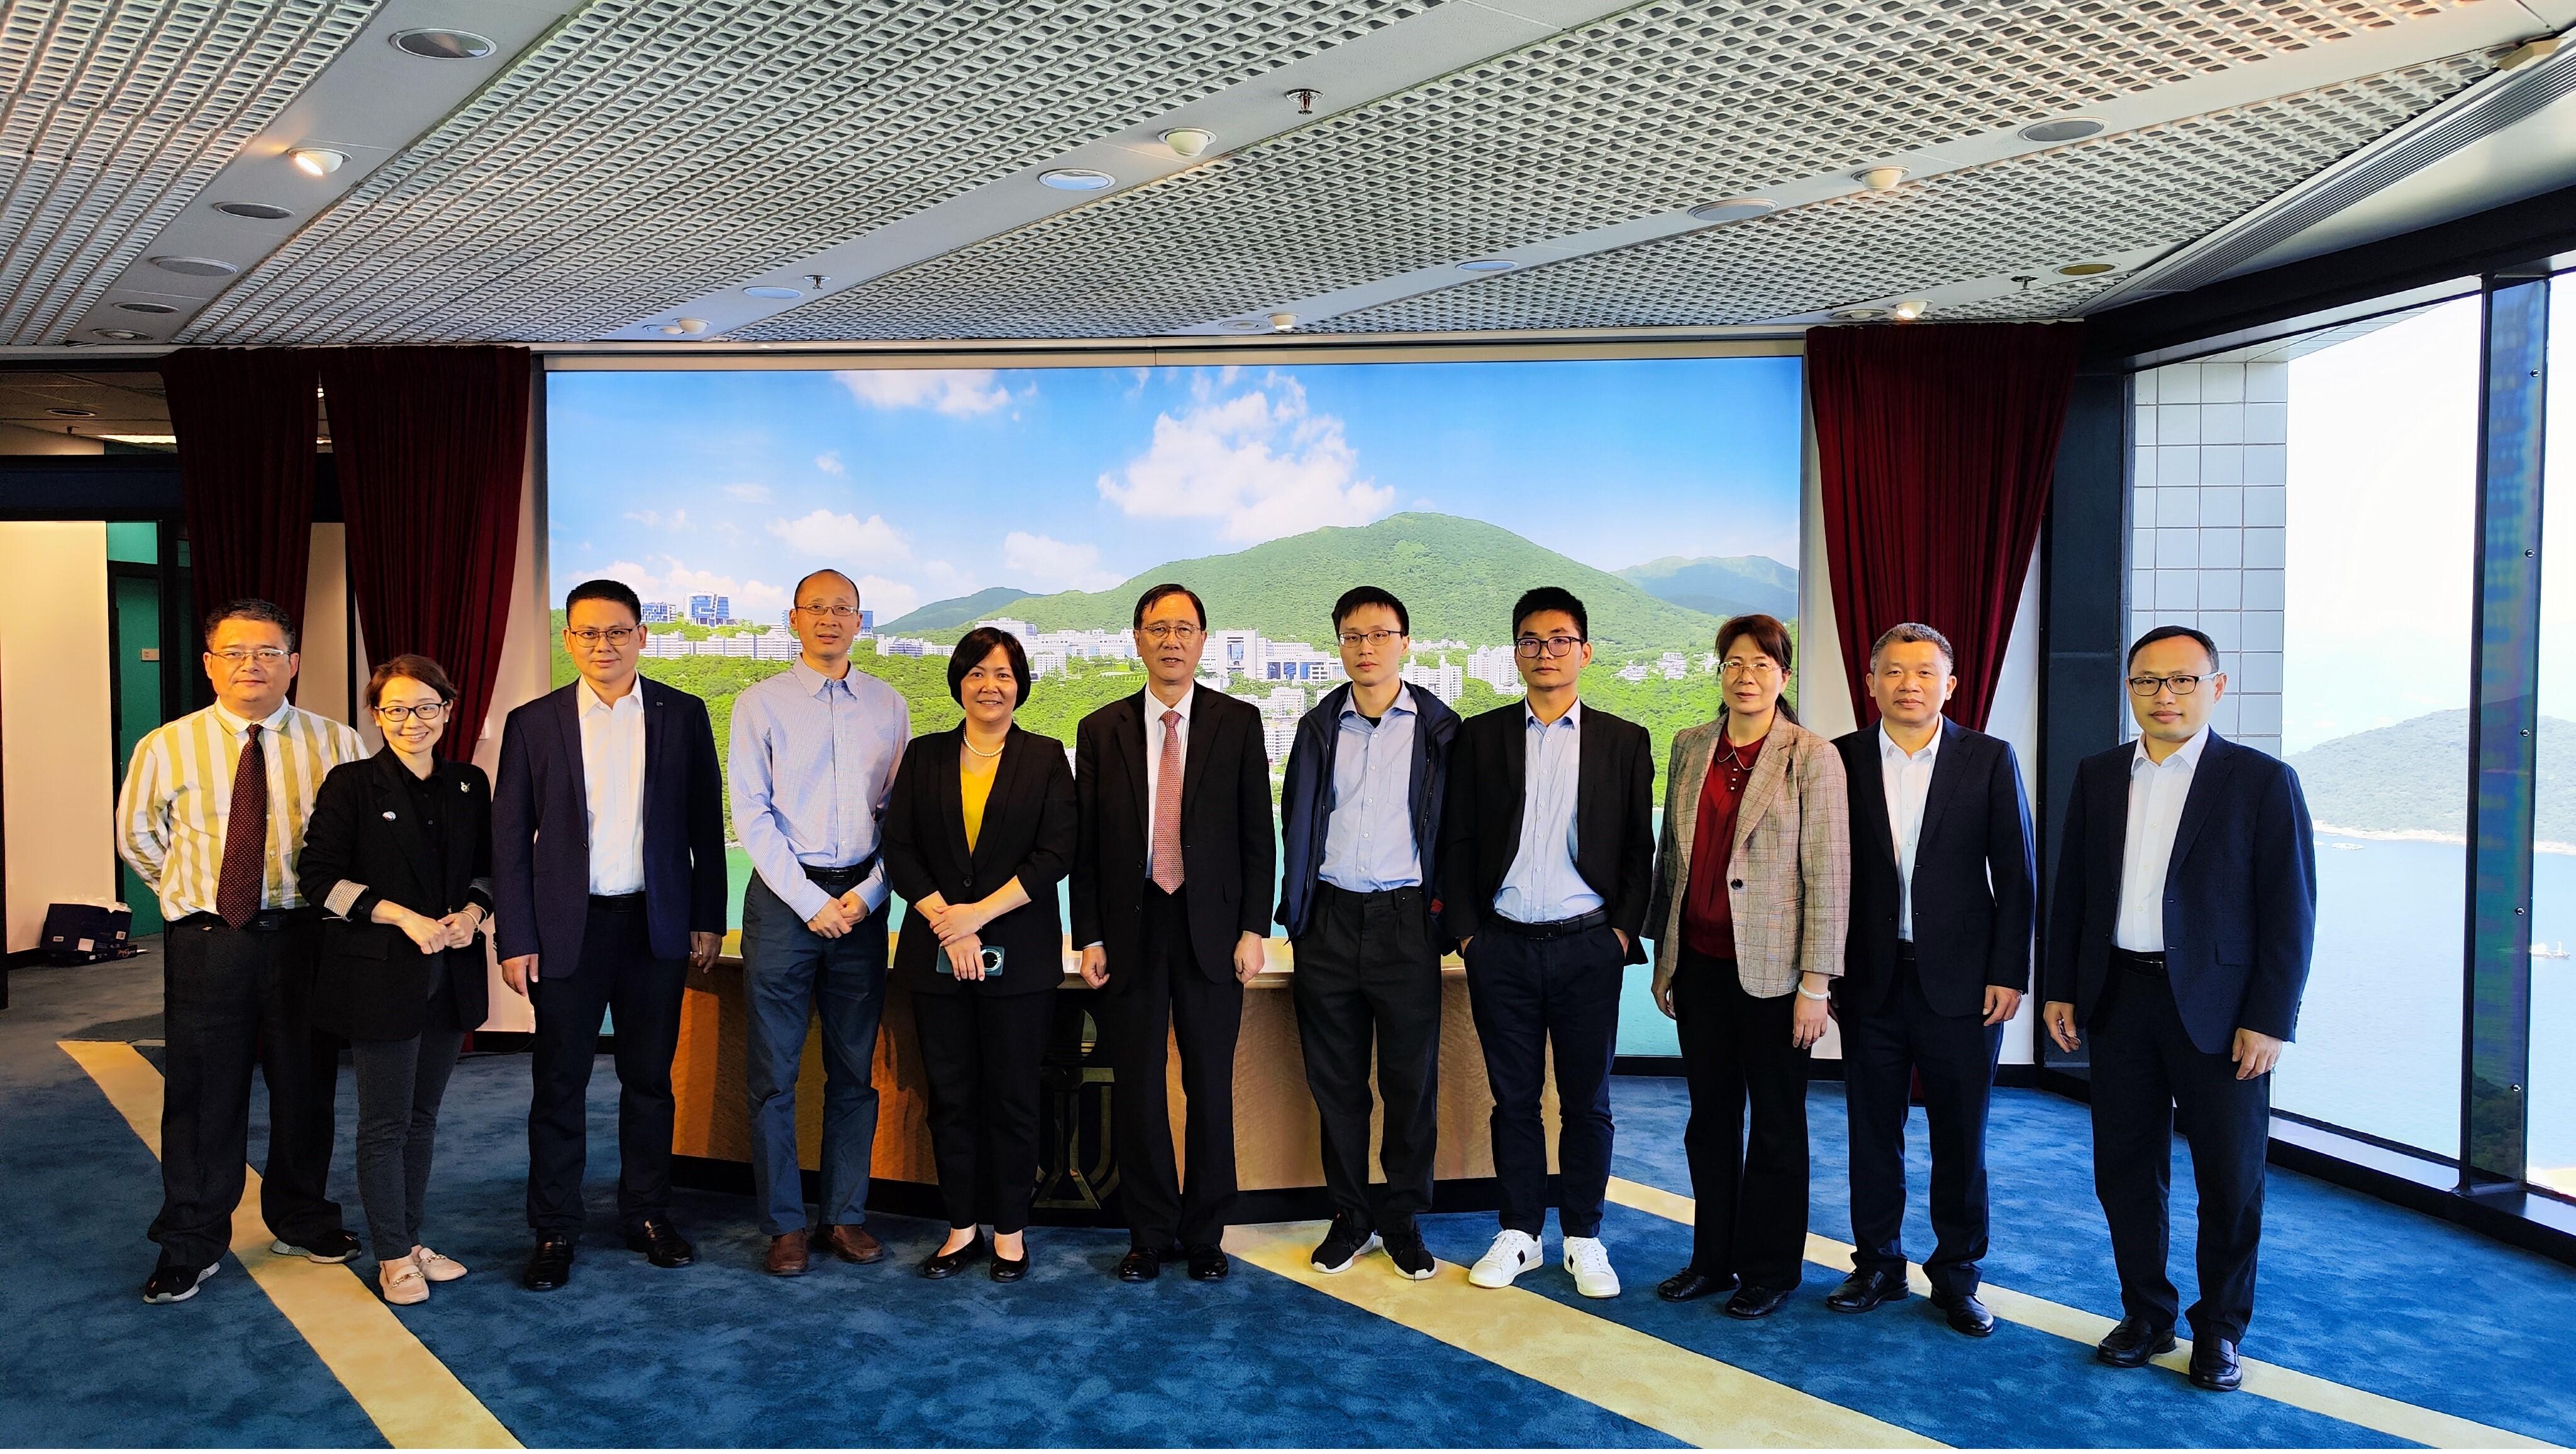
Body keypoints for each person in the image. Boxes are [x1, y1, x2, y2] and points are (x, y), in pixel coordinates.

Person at [2045, 624, 2316, 1392]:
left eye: (2182, 680)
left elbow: (2290, 912)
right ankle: (2146, 1313)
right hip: (2118, 997)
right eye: (2147, 681)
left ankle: (2219, 1329)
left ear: (2215, 687)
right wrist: (2063, 984)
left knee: (2229, 1176)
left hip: (2222, 1012)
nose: (2163, 695)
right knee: (2125, 1168)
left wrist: (2270, 1017)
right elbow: (2074, 890)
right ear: (2129, 688)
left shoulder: (2262, 780)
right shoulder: (2099, 773)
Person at [116, 598, 367, 1304]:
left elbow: (355, 839)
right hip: (209, 941)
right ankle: (190, 1242)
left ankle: (303, 1218)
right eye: (234, 652)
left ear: (293, 662)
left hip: (307, 935)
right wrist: (193, 894)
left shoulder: (338, 742)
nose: (250, 664)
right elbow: (139, 836)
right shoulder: (167, 745)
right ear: (209, 664)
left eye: (267, 652)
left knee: (306, 1084)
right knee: (202, 1094)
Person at [493, 579, 726, 1292]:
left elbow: (705, 825)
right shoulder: (534, 722)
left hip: (654, 926)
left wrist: (707, 917)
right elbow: (510, 839)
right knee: (558, 1084)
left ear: (641, 636)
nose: (604, 645)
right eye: (589, 633)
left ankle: (647, 1213)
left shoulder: (683, 713)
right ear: (568, 640)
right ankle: (555, 1227)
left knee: (649, 1081)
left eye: (618, 631)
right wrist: (515, 936)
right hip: (568, 930)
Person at [1443, 586, 1655, 1300]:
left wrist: (1620, 932)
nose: (1546, 652)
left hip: (1587, 945)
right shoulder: (1481, 737)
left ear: (1584, 652)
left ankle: (1585, 1236)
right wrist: (1469, 933)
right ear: (1515, 653)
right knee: (1514, 1100)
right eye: (1531, 640)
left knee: (1588, 1101)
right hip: (1500, 946)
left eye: (1560, 639)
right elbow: (1457, 839)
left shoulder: (1623, 740)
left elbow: (1638, 848)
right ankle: (1520, 1232)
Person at [1826, 623, 2032, 1335]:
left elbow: (2017, 874)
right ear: (1870, 682)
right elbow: (1822, 871)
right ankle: (1878, 1265)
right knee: (1871, 1131)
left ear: (1950, 684)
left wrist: (2009, 972)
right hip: (1870, 979)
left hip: (1965, 986)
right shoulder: (1840, 758)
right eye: (1893, 670)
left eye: (1923, 672)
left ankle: (1957, 1275)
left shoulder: (1989, 757)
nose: (1908, 683)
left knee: (1961, 1136)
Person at [1643, 612, 1848, 1318]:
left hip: (1778, 976)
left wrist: (1816, 983)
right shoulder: (1690, 744)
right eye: (1734, 662)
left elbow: (1830, 875)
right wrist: (1665, 959)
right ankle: (1711, 1258)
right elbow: (1672, 858)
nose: (1746, 675)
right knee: (1709, 1119)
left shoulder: (1810, 755)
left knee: (1777, 1125)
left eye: (1762, 664)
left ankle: (1770, 1269)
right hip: (1699, 963)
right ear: (1719, 671)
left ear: (1783, 676)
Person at [1070, 582, 1275, 1283]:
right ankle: (1149, 1233)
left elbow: (1257, 835)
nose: (1171, 640)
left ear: (1202, 640)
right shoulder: (1100, 729)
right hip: (1129, 928)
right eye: (1158, 628)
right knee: (1137, 1087)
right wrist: (1089, 934)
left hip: (1212, 930)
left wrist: (1253, 928)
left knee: (1210, 1084)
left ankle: (1205, 1233)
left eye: (1184, 628)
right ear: (1137, 639)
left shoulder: (1238, 721)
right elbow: (1087, 845)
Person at [881, 627, 1077, 1282]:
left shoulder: (1045, 756)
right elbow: (900, 847)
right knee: (951, 1097)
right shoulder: (925, 755)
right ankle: (961, 1227)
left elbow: (1056, 853)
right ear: (958, 682)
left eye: (1003, 674)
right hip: (938, 955)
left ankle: (1010, 1232)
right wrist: (951, 922)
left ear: (1020, 684)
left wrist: (978, 916)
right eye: (976, 673)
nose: (989, 685)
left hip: (1019, 959)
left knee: (1014, 1098)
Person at [297, 655, 493, 1306]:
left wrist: (472, 914)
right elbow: (318, 878)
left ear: (448, 710)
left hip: (451, 974)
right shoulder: (351, 783)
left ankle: (411, 1240)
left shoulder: (469, 783)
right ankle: (390, 1255)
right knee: (384, 1123)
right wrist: (402, 916)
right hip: (379, 975)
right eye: (396, 709)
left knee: (423, 1117)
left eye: (426, 707)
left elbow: (490, 869)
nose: (413, 721)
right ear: (377, 716)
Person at [729, 569, 909, 1276]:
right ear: (793, 618)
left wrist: (867, 895)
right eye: (816, 608)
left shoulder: (889, 705)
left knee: (854, 1072)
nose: (829, 619)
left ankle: (844, 1216)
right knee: (773, 1075)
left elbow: (899, 816)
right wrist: (810, 902)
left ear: (860, 621)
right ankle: (783, 1226)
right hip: (784, 902)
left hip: (862, 902)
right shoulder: (758, 704)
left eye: (843, 609)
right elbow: (751, 815)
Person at [1277, 586, 1460, 1281]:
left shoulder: (1441, 730)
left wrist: (1446, 920)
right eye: (1353, 636)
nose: (1366, 647)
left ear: (1405, 642)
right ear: (1340, 645)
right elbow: (1296, 820)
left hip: (1406, 922)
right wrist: (1296, 912)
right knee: (1338, 1084)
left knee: (1410, 1083)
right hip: (1328, 920)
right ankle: (1350, 1216)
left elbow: (1459, 833)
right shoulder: (1318, 726)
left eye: (1380, 634)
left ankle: (1402, 1219)